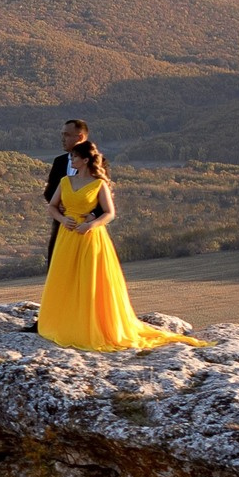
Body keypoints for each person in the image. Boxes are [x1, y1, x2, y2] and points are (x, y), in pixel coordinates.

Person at [38, 139, 207, 351]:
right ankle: (63, 320)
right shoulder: (65, 181)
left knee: (89, 281)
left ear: (85, 160)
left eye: (74, 156)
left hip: (90, 238)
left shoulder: (100, 184)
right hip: (67, 235)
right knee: (65, 277)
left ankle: (89, 325)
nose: (70, 159)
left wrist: (91, 225)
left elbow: (110, 213)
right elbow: (52, 207)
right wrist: (63, 220)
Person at [43, 119, 90, 266]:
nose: (63, 139)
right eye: (62, 135)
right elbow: (49, 191)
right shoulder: (59, 162)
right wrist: (60, 205)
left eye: (67, 135)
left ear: (80, 137)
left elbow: (104, 196)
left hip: (87, 230)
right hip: (61, 227)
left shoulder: (98, 163)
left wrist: (92, 218)